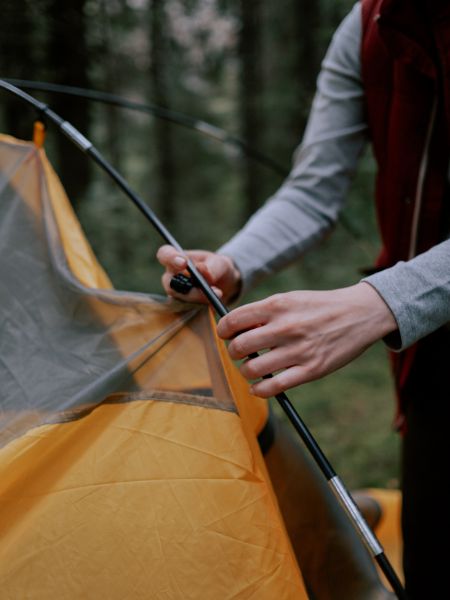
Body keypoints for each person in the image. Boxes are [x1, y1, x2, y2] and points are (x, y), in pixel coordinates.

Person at [158, 1, 450, 596]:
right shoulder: (369, 26)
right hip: (432, 361)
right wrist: (230, 264)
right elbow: (312, 191)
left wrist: (382, 302)